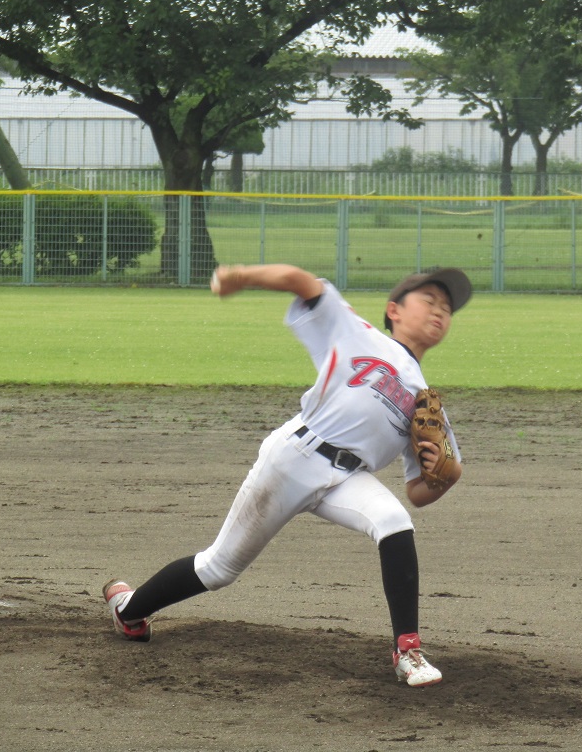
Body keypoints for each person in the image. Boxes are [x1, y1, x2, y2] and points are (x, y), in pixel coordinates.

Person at [103, 263, 472, 687]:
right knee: (219, 568)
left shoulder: (426, 401)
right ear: (394, 309)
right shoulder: (356, 331)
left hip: (348, 480)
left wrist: (447, 475)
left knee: (394, 521)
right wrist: (240, 277)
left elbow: (418, 492)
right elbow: (302, 282)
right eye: (429, 300)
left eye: (446, 308)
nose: (439, 311)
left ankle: (408, 651)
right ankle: (128, 611)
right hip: (296, 456)